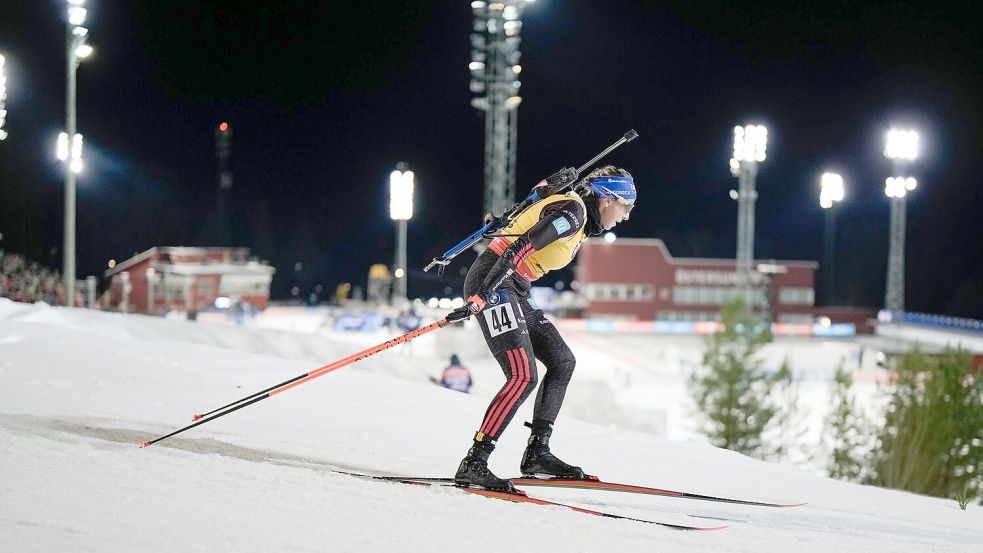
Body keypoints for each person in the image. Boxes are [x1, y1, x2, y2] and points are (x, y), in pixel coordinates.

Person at [445, 165, 636, 492]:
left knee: (562, 361)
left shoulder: (578, 216)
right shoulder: (573, 214)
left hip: (515, 285)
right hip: (496, 279)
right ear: (607, 199)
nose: (627, 216)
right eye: (626, 206)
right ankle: (474, 462)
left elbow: (536, 200)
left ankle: (537, 453)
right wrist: (484, 294)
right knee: (522, 375)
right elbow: (519, 249)